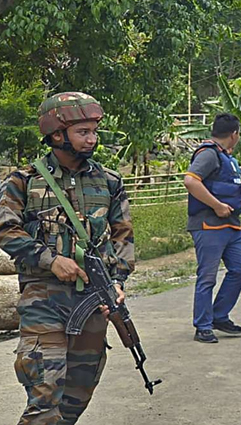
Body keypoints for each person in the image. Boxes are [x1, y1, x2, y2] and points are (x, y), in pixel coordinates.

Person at [0, 92, 133, 423]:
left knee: (77, 395)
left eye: (93, 131)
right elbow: (5, 229)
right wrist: (49, 259)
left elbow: (123, 236)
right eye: (83, 132)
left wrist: (117, 282)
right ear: (57, 134)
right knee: (45, 397)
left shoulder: (109, 181)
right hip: (44, 301)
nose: (92, 139)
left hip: (92, 302)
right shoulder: (23, 181)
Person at [184, 113, 241, 343]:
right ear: (234, 134)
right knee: (207, 277)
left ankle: (219, 315)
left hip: (231, 225)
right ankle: (202, 326)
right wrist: (217, 205)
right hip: (209, 225)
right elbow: (191, 180)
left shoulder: (226, 157)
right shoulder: (208, 154)